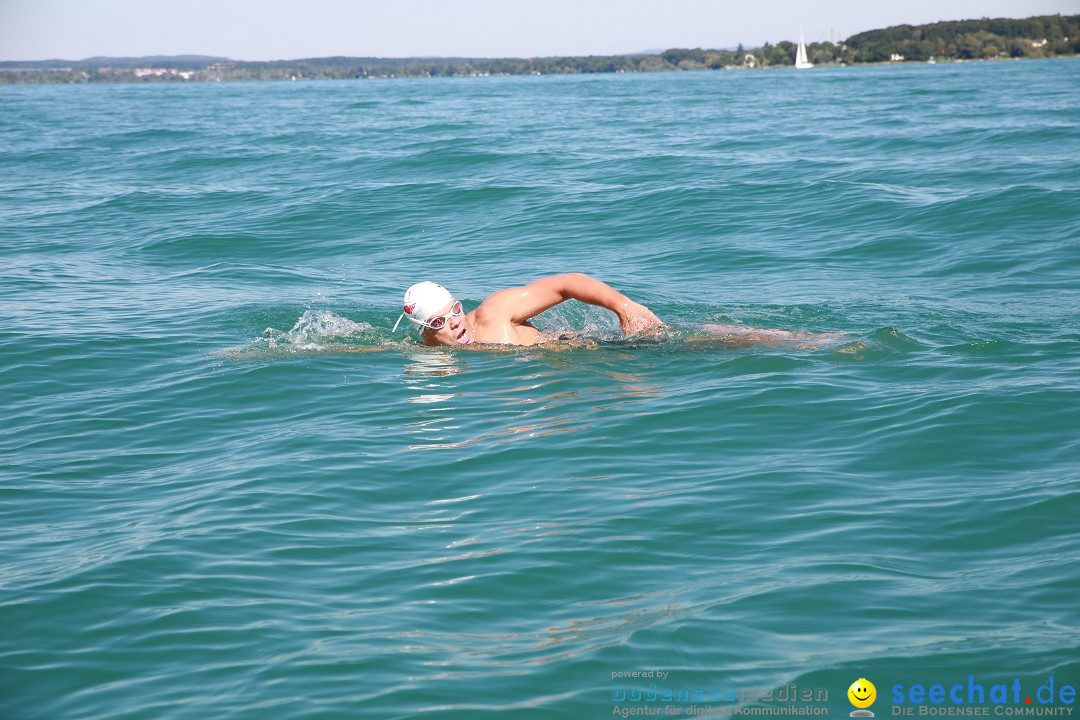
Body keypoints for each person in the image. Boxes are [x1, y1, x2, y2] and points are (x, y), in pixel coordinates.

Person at [392, 273, 664, 347]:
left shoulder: (496, 311)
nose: (454, 322)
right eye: (439, 322)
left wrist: (625, 308)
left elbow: (567, 284)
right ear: (425, 334)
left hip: (615, 346)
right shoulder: (429, 352)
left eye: (455, 310)